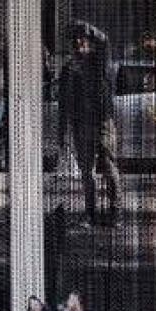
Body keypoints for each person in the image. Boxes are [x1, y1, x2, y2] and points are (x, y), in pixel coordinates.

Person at [58, 21, 120, 227]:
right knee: (86, 171)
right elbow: (63, 102)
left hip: (102, 122)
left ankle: (115, 213)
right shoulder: (67, 69)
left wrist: (89, 29)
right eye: (73, 41)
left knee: (109, 166)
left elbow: (105, 42)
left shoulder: (98, 62)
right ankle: (90, 214)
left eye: (81, 40)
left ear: (87, 42)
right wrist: (62, 131)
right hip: (80, 124)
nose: (77, 44)